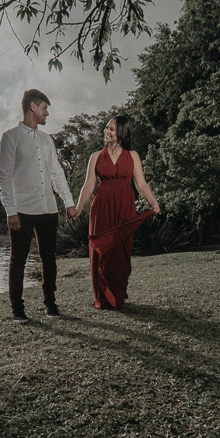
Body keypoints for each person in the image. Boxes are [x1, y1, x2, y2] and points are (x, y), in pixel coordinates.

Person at [0, 89, 78, 323]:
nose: (47, 113)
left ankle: (50, 304)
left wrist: (68, 202)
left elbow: (57, 173)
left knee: (48, 258)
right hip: (21, 210)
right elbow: (4, 177)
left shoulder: (47, 140)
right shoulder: (10, 137)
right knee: (18, 260)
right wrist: (10, 211)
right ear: (32, 107)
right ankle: (17, 309)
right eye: (44, 108)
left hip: (48, 209)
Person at [71, 115, 160, 310]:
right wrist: (79, 207)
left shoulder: (132, 156)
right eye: (106, 128)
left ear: (121, 132)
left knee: (121, 251)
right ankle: (102, 298)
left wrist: (153, 202)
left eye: (111, 129)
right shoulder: (96, 156)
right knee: (101, 250)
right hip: (101, 207)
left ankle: (117, 296)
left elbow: (141, 185)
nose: (106, 131)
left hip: (124, 207)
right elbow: (89, 185)